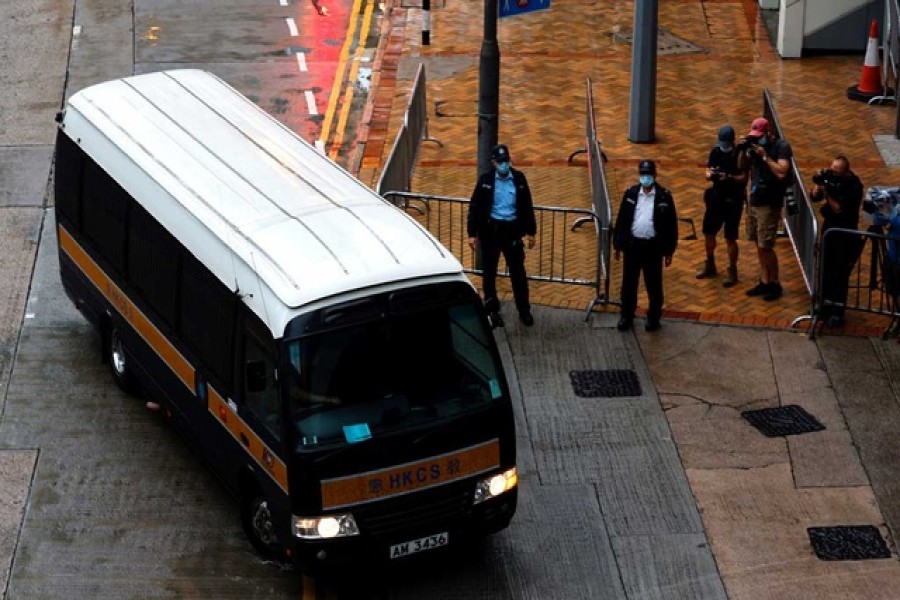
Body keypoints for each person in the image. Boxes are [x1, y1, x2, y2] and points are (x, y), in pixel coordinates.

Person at [467, 144, 537, 328]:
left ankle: (524, 310)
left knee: (518, 273)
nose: (504, 164)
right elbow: (475, 207)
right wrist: (472, 233)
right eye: (500, 162)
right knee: (489, 274)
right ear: (494, 163)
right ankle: (492, 309)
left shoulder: (519, 179)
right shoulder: (486, 181)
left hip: (511, 232)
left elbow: (527, 205)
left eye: (506, 160)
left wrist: (531, 232)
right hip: (491, 232)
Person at [613, 160, 678, 332]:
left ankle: (653, 317)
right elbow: (622, 220)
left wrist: (669, 251)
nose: (646, 177)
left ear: (655, 175)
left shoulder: (664, 196)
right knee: (629, 284)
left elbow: (671, 226)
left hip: (653, 248)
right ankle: (626, 315)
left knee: (654, 285)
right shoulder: (630, 194)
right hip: (632, 246)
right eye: (643, 174)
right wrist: (618, 245)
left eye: (648, 174)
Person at [740, 117, 792, 302]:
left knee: (766, 245)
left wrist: (764, 156)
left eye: (759, 136)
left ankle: (775, 282)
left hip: (769, 203)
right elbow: (741, 166)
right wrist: (743, 150)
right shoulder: (754, 146)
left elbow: (782, 172)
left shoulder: (781, 146)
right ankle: (764, 280)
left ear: (769, 132)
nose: (757, 139)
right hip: (755, 199)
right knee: (757, 242)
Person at [809, 155, 864, 327]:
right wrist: (818, 186)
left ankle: (837, 310)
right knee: (825, 267)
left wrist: (826, 191)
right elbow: (814, 197)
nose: (833, 174)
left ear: (846, 172)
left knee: (840, 272)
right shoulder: (831, 178)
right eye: (832, 170)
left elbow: (838, 208)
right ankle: (823, 305)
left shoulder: (854, 186)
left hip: (845, 232)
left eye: (837, 172)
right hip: (830, 230)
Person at [696, 124, 748, 287]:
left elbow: (744, 178)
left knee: (730, 237)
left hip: (733, 201)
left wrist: (730, 177)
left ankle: (732, 269)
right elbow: (708, 171)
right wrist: (710, 174)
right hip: (716, 198)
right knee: (709, 232)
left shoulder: (739, 155)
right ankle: (710, 263)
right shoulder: (716, 152)